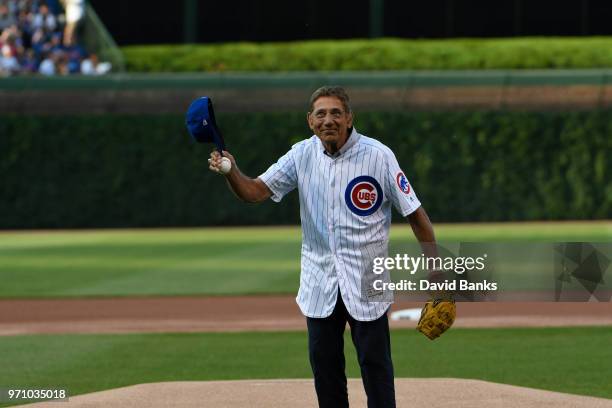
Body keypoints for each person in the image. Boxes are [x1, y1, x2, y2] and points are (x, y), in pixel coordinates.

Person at [208, 86, 436, 408]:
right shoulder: (301, 154)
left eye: (335, 113)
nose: (328, 120)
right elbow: (256, 191)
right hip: (319, 282)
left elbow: (415, 213)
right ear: (310, 121)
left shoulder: (378, 155)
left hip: (367, 278)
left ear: (349, 118)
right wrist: (231, 172)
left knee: (376, 368)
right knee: (326, 371)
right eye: (321, 114)